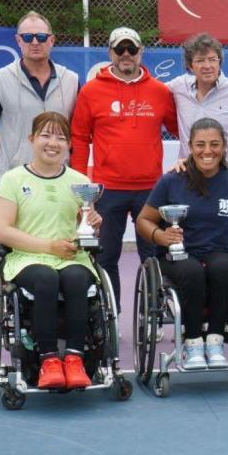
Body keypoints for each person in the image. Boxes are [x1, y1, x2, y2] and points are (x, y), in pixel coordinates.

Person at [136, 118, 228, 369]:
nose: (208, 151)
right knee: (192, 270)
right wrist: (161, 237)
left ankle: (215, 340)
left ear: (224, 146)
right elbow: (143, 220)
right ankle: (192, 342)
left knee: (226, 267)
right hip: (176, 256)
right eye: (200, 145)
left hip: (217, 253)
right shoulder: (172, 180)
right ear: (190, 147)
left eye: (214, 144)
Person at [71, 27, 178, 311]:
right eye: (120, 50)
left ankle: (153, 315)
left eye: (132, 49)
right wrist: (81, 185)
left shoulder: (160, 91)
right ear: (110, 53)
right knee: (106, 257)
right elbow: (80, 138)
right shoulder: (91, 91)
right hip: (108, 188)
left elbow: (182, 129)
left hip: (151, 189)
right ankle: (110, 316)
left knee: (154, 255)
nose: (126, 55)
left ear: (141, 52)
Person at [0, 111, 100, 390]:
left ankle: (75, 359)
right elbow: (1, 230)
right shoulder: (13, 179)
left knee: (76, 279)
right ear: (31, 139)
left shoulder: (79, 182)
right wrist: (47, 246)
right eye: (46, 135)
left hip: (70, 257)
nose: (53, 143)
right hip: (27, 258)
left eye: (61, 137)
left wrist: (92, 222)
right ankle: (48, 359)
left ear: (69, 145)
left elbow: (84, 230)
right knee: (45, 278)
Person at [0, 11, 79, 173]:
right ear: (18, 40)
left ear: (51, 40)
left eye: (41, 37)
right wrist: (12, 154)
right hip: (17, 177)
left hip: (61, 175)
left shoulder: (71, 80)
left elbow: (79, 130)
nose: (35, 42)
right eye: (28, 37)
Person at [168, 32, 228, 159]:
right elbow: (150, 90)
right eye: (200, 61)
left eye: (212, 60)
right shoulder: (179, 86)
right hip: (190, 175)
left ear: (219, 62)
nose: (207, 66)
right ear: (190, 66)